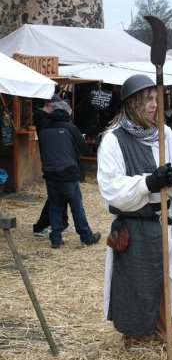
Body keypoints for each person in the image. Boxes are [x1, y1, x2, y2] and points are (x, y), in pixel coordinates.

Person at [97, 74, 172, 341]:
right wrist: (147, 183)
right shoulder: (113, 140)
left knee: (165, 283)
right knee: (135, 284)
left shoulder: (164, 134)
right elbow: (111, 188)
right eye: (147, 99)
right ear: (131, 103)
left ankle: (164, 332)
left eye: (155, 99)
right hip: (135, 227)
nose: (154, 105)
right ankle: (135, 334)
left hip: (163, 224)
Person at [37, 96, 101, 248]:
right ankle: (86, 236)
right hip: (68, 173)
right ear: (67, 113)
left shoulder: (43, 128)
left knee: (55, 206)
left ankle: (56, 239)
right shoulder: (70, 128)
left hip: (50, 173)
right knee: (77, 207)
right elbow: (83, 147)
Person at [33, 94, 69, 237]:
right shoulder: (43, 120)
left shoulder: (45, 118)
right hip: (51, 162)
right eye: (57, 107)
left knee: (61, 194)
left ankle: (62, 222)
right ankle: (40, 226)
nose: (59, 110)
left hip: (55, 161)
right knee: (55, 197)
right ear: (49, 104)